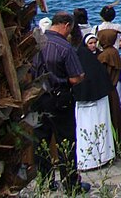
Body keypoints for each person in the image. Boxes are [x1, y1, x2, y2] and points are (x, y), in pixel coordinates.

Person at [30, 12, 89, 194]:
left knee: (41, 141)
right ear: (65, 25)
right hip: (59, 98)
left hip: (38, 96)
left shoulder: (36, 43)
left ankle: (45, 181)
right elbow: (74, 78)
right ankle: (71, 183)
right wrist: (81, 77)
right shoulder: (65, 47)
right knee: (66, 142)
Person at [73, 33, 115, 172]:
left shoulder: (79, 67)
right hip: (99, 103)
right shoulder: (96, 66)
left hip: (83, 105)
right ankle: (104, 156)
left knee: (84, 131)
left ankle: (85, 160)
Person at [96, 29, 121, 138]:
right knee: (115, 117)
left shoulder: (105, 55)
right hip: (113, 89)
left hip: (107, 91)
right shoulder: (114, 52)